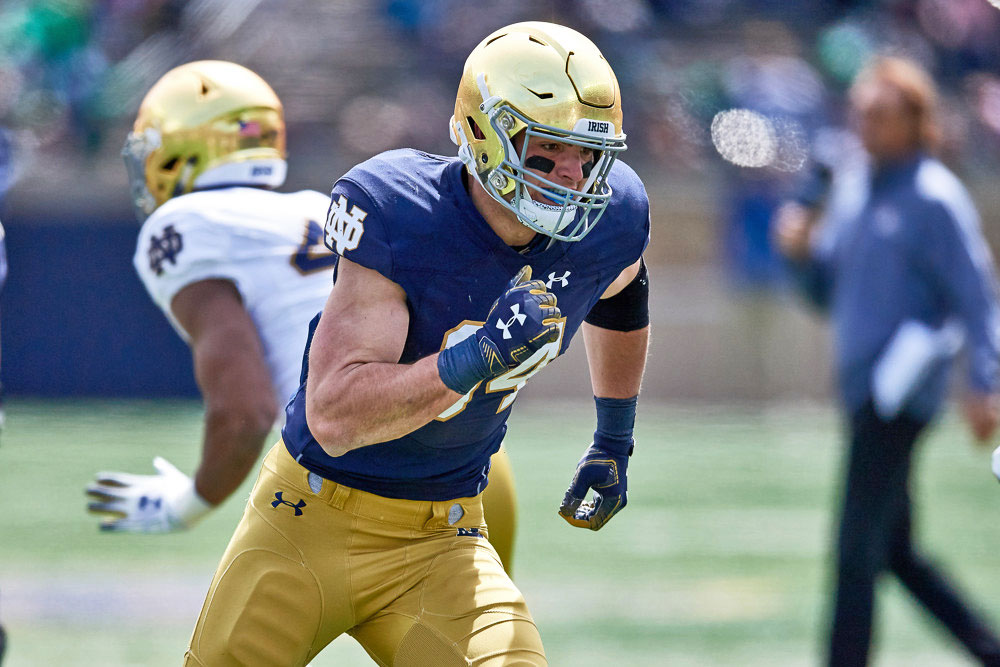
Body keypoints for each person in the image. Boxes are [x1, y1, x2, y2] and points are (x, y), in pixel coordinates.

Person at [185, 21, 650, 666]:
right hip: (308, 515)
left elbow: (623, 291)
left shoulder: (613, 217)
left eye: (588, 154)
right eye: (546, 149)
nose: (573, 178)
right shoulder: (403, 211)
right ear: (488, 134)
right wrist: (478, 355)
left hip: (444, 536)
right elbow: (334, 416)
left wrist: (613, 439)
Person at [82, 60, 520, 575]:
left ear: (180, 149)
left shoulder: (183, 225)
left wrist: (187, 503)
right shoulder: (321, 207)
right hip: (474, 460)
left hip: (368, 470)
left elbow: (244, 413)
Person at [774, 56, 1000, 666]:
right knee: (895, 550)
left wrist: (986, 383)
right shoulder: (850, 190)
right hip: (861, 390)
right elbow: (826, 293)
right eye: (860, 113)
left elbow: (977, 297)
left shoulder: (934, 198)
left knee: (854, 552)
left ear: (915, 121)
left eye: (880, 115)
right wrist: (799, 253)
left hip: (900, 394)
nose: (865, 126)